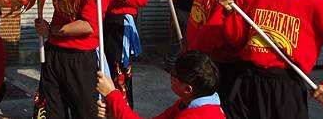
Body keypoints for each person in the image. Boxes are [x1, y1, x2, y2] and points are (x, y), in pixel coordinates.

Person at [34, 0, 112, 119]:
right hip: (53, 53)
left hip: (80, 58)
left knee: (85, 113)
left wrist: (50, 30)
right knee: (51, 112)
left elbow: (88, 26)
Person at [96, 50, 226, 118]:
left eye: (173, 74)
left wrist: (112, 94)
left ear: (187, 88)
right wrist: (114, 114)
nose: (170, 76)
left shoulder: (198, 115)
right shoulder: (187, 103)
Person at [104, 0, 148, 108]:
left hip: (121, 23)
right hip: (103, 19)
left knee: (120, 70)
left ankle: (124, 108)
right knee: (102, 67)